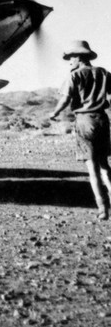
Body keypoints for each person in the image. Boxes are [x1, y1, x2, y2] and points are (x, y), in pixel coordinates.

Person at [49, 40, 111, 220]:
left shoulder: (74, 76)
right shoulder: (104, 73)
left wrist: (54, 112)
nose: (69, 61)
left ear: (78, 57)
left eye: (71, 58)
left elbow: (65, 99)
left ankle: (102, 208)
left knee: (92, 168)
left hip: (84, 121)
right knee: (105, 165)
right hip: (102, 119)